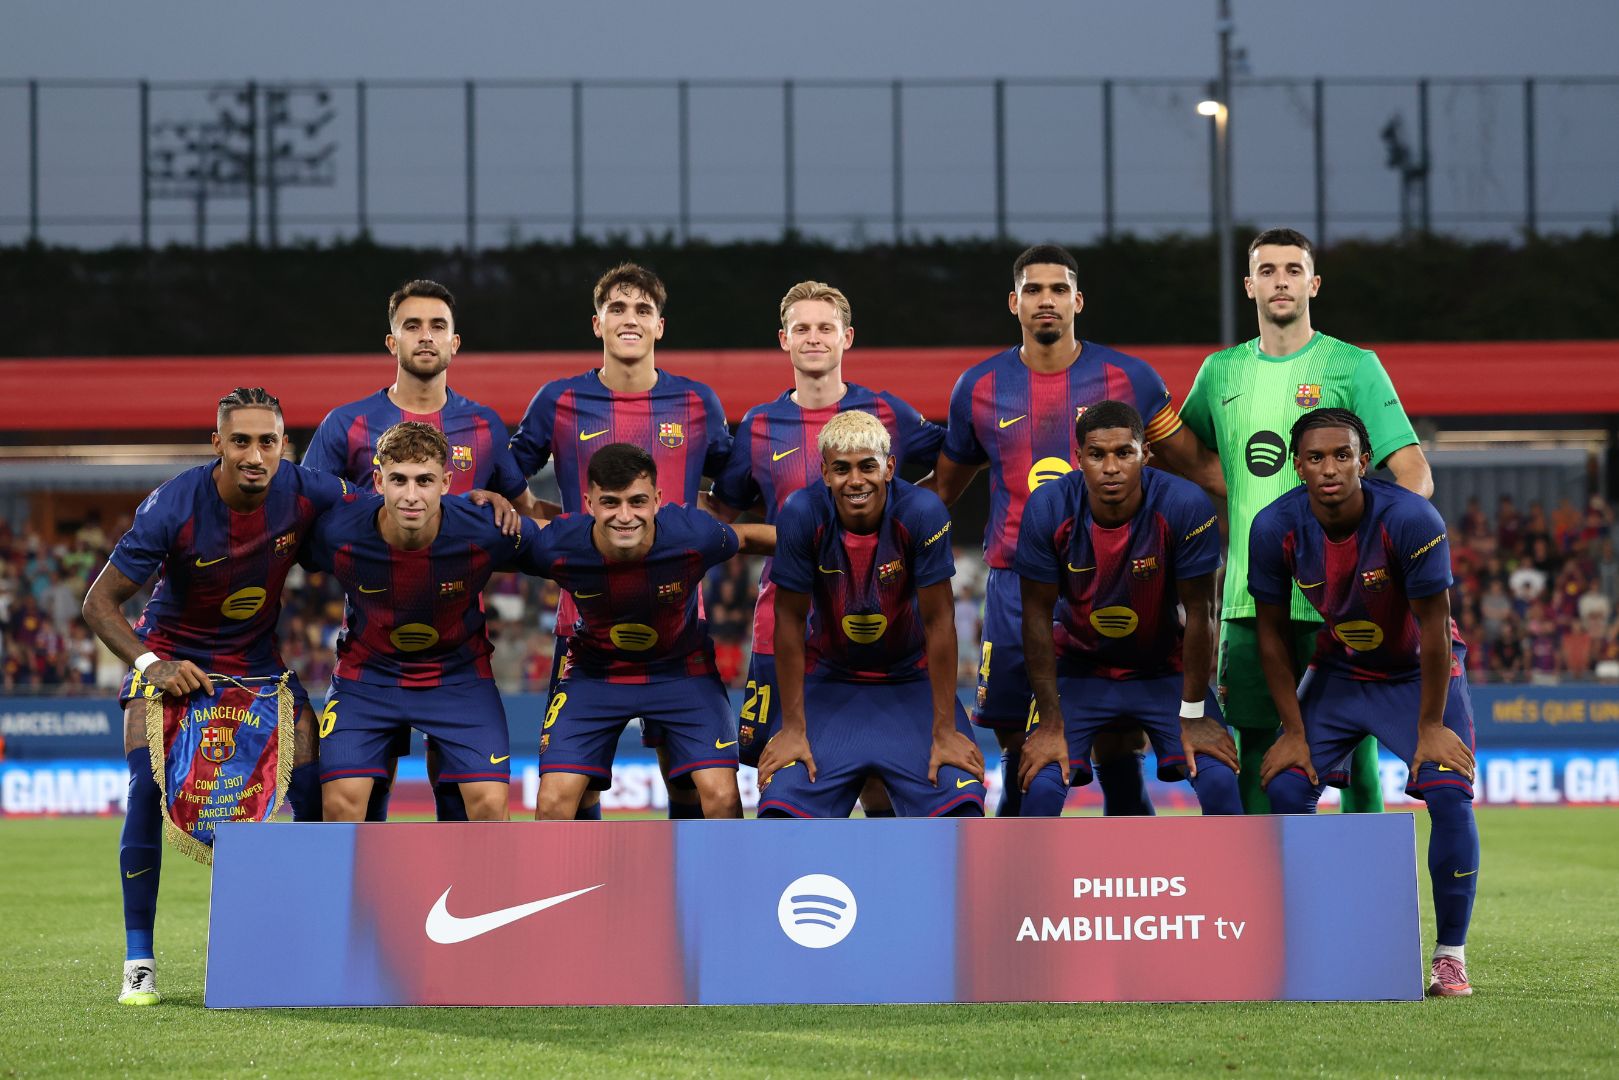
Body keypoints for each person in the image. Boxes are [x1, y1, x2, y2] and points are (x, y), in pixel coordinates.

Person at [80, 388, 354, 1006]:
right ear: (218, 445)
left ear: (284, 445)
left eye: (268, 442)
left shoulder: (308, 489)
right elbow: (98, 604)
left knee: (311, 778)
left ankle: (315, 941)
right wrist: (153, 665)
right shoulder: (172, 507)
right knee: (147, 788)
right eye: (241, 441)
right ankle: (139, 961)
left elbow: (391, 504)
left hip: (256, 665)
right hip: (172, 656)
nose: (255, 455)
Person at [928, 244, 1221, 816]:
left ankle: (1125, 873)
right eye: (1033, 290)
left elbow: (1199, 466)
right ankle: (1015, 879)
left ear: (1077, 301)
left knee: (1116, 735)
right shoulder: (979, 387)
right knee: (1021, 743)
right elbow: (942, 489)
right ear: (1014, 303)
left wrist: (1285, 505)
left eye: (1058, 289)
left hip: (1116, 582)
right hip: (1017, 584)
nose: (1046, 300)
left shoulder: (1129, 377)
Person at [1180, 227, 1435, 816]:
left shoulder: (1353, 365)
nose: (1281, 281)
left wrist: (1386, 549)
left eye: (1293, 270)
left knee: (1356, 758)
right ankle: (1257, 899)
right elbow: (1183, 453)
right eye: (1268, 271)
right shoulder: (1220, 372)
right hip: (1249, 598)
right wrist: (1235, 486)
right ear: (1249, 286)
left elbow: (1414, 472)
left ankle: (1363, 900)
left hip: (1341, 600)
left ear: (1313, 283)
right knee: (1256, 748)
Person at [1252, 409, 1479, 997]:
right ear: (1296, 465)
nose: (1330, 469)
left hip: (1419, 674)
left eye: (1342, 455)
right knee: (1286, 784)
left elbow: (1436, 626)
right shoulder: (1273, 526)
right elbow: (1272, 635)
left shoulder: (1409, 518)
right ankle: (1304, 936)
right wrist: (1293, 730)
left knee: (1449, 793)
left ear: (1365, 458)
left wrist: (1431, 724)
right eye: (1316, 458)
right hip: (1340, 671)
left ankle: (1450, 956)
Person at [709, 279, 944, 815]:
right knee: (788, 777)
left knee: (883, 785)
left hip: (876, 626)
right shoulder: (759, 427)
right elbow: (721, 516)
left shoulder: (888, 414)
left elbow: (956, 460)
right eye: (802, 329)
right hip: (784, 626)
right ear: (783, 340)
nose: (814, 338)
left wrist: (920, 516)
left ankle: (883, 894)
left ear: (847, 338)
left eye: (825, 328)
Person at [510, 262, 732, 820]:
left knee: (691, 788)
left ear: (660, 326)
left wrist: (692, 535)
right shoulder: (559, 400)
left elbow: (734, 491)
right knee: (572, 791)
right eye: (617, 308)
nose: (629, 319)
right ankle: (578, 897)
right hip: (583, 628)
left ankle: (694, 897)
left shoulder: (698, 402)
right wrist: (547, 520)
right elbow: (505, 481)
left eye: (642, 310)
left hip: (679, 626)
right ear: (597, 323)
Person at [303, 278, 529, 823]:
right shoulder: (347, 424)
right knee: (353, 803)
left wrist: (501, 502)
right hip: (371, 644)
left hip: (457, 648)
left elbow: (524, 516)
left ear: (456, 343)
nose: (425, 337)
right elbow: (303, 517)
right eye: (412, 326)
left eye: (437, 326)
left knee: (469, 805)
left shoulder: (483, 426)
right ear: (392, 342)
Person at [304, 422, 547, 822]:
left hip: (458, 677)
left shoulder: (485, 527)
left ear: (447, 482)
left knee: (489, 805)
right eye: (399, 479)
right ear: (379, 481)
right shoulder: (336, 530)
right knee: (341, 805)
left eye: (425, 480)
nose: (412, 495)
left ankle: (482, 887)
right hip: (368, 679)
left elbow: (566, 548)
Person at [1015, 401, 1240, 815]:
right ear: (1079, 458)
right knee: (1042, 787)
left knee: (1220, 778)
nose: (1111, 467)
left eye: (1124, 453)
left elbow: (1202, 612)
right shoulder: (1048, 507)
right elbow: (1035, 617)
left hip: (1162, 670)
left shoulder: (1185, 505)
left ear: (1146, 454)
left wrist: (1192, 714)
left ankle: (1230, 881)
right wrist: (1049, 721)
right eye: (1097, 455)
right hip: (1078, 671)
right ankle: (1034, 881)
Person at [756, 410, 985, 817]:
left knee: (961, 810)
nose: (856, 480)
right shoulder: (800, 513)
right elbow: (789, 622)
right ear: (825, 473)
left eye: (867, 466)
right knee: (779, 810)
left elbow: (939, 623)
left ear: (889, 468)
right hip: (829, 682)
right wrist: (792, 728)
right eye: (841, 469)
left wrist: (945, 730)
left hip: (910, 680)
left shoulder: (923, 512)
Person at [533, 443, 772, 820]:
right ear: (589, 502)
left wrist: (824, 539)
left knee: (722, 796)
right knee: (553, 801)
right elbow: (487, 544)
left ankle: (718, 879)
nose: (624, 516)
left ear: (658, 500)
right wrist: (484, 504)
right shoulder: (558, 544)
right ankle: (566, 881)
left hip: (682, 670)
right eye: (610, 502)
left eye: (637, 501)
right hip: (594, 675)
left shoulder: (693, 534)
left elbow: (750, 538)